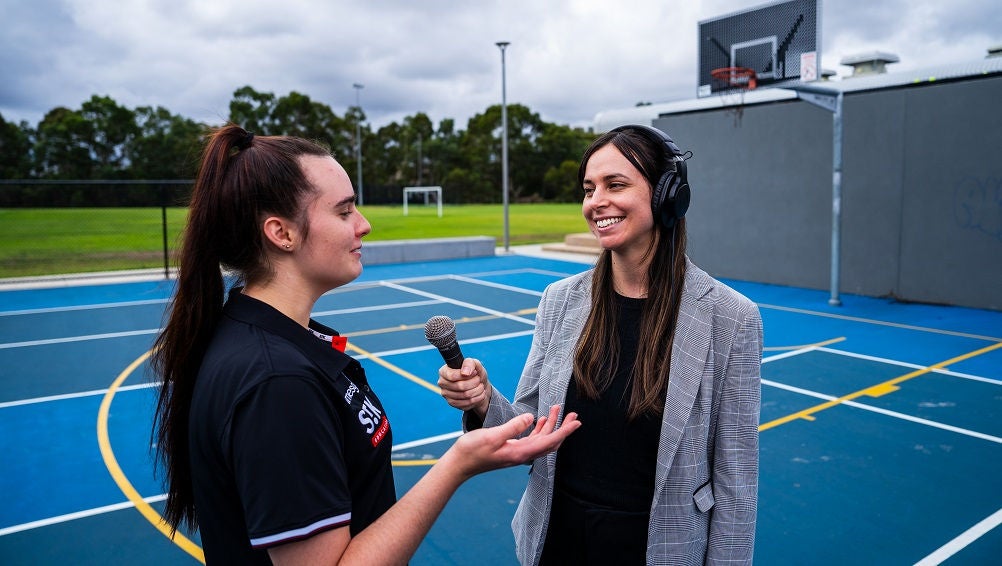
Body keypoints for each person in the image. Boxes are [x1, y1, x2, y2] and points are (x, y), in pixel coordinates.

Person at [150, 124, 580, 565]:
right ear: (282, 233)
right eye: (344, 211)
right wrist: (457, 465)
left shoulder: (275, 339)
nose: (364, 225)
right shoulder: (278, 383)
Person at [438, 125, 763, 565]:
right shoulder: (560, 300)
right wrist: (481, 401)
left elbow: (736, 483)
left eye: (616, 185)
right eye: (589, 189)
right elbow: (530, 421)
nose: (596, 202)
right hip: (559, 538)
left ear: (668, 195)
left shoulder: (731, 317)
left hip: (657, 547)